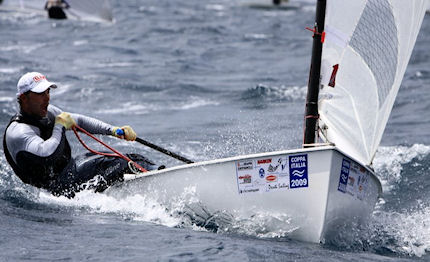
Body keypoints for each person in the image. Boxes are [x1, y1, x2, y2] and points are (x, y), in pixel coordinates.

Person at [3, 72, 156, 198]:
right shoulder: (18, 132)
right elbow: (47, 154)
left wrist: (114, 130)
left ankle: (159, 172)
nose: (47, 98)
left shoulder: (49, 112)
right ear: (24, 98)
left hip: (70, 172)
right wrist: (59, 126)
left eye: (48, 92)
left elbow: (80, 121)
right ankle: (159, 183)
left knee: (130, 157)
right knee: (123, 164)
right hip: (56, 192)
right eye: (40, 94)